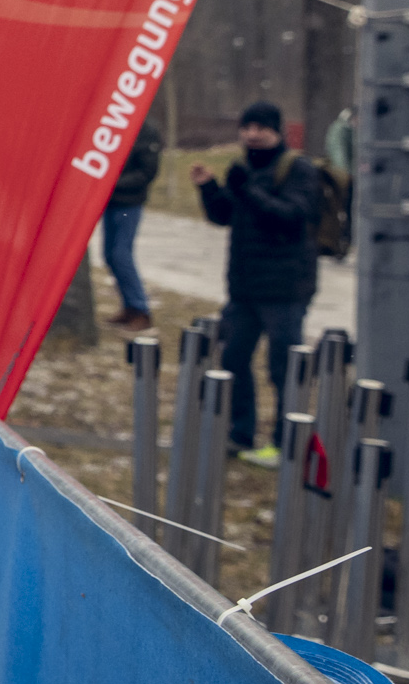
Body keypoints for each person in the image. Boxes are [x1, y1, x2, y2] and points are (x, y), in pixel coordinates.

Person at [191, 101, 321, 469]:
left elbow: (292, 220)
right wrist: (210, 188)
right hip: (244, 287)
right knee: (232, 358)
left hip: (285, 289)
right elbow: (226, 216)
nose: (252, 134)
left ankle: (286, 442)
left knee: (283, 367)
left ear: (276, 131)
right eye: (247, 127)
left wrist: (247, 190)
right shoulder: (245, 168)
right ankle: (239, 432)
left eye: (261, 127)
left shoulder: (297, 168)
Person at [103, 121, 163, 330]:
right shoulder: (114, 127)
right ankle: (129, 307)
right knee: (110, 255)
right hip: (110, 201)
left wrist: (112, 181)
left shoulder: (146, 132)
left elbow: (147, 173)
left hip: (129, 203)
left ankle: (140, 309)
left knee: (121, 254)